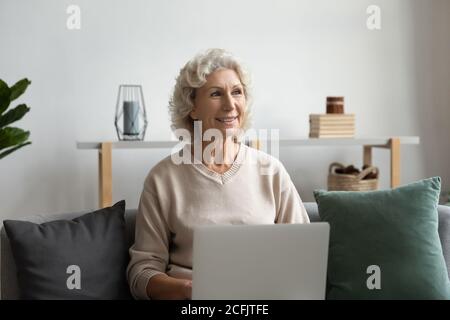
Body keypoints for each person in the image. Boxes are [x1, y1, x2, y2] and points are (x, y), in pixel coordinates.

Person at [126, 48, 310, 300]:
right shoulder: (162, 179)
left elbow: (304, 255)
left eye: (237, 92)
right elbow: (142, 272)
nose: (230, 105)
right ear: (192, 108)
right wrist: (187, 290)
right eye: (216, 94)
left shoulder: (272, 171)